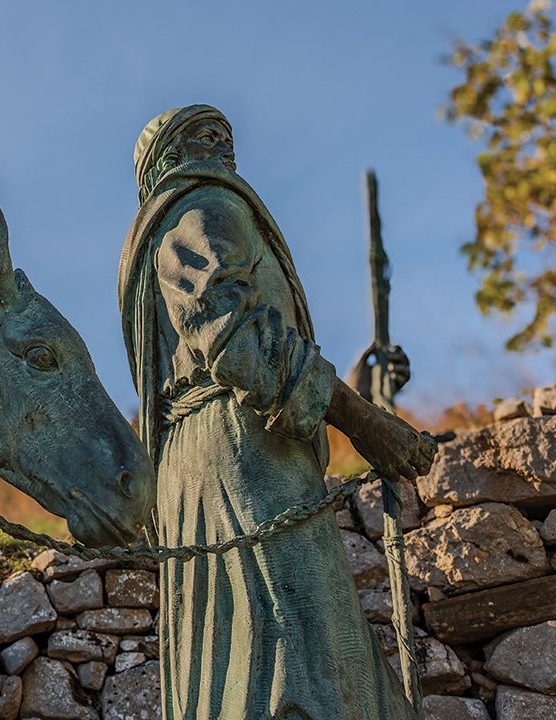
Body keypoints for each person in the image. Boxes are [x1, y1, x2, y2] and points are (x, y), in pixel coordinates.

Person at [117, 105, 436, 720]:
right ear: (166, 161)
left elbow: (256, 345)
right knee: (302, 668)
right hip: (243, 451)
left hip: (216, 455)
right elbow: (238, 341)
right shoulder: (203, 206)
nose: (222, 149)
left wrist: (365, 384)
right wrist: (366, 423)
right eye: (203, 136)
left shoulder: (184, 220)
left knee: (266, 668)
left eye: (226, 138)